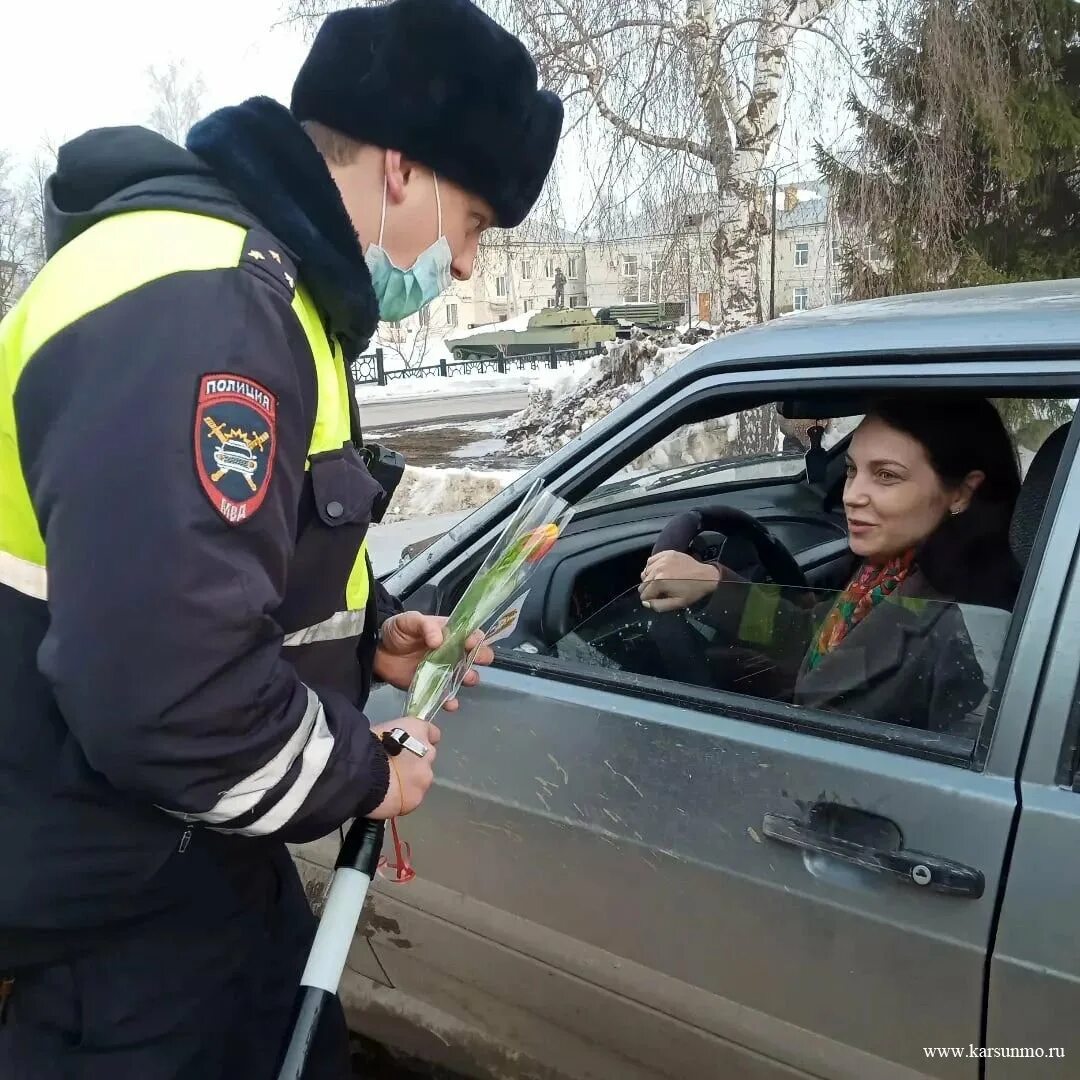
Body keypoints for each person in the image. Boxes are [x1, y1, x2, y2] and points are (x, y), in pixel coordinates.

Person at [0, 1, 562, 1076]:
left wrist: (371, 642)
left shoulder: (269, 294)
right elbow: (172, 700)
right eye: (477, 222)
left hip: (181, 868)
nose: (466, 269)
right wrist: (363, 775)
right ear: (405, 171)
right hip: (113, 913)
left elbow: (217, 577)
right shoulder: (211, 304)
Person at [639, 397, 1022, 732]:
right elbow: (815, 633)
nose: (852, 495)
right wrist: (714, 584)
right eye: (853, 470)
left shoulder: (976, 629)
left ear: (961, 492)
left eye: (886, 476)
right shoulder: (889, 573)